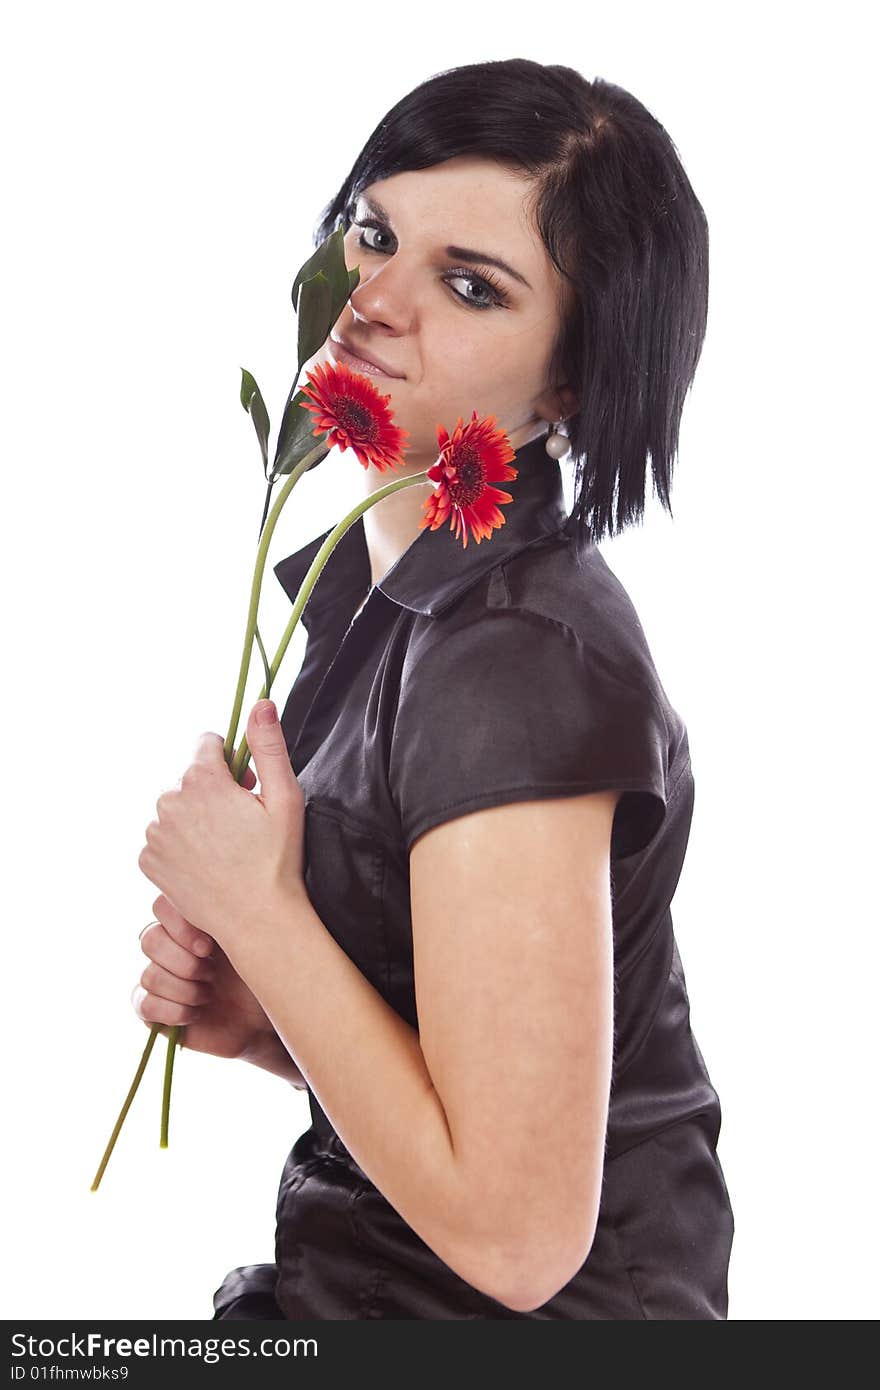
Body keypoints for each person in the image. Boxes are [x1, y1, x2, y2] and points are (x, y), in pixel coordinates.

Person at [134, 58, 735, 1319]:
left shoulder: (518, 652)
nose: (372, 302)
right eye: (372, 233)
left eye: (470, 285)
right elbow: (470, 1093)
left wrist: (262, 910)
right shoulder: (392, 586)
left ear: (568, 386)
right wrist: (272, 1023)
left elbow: (519, 1241)